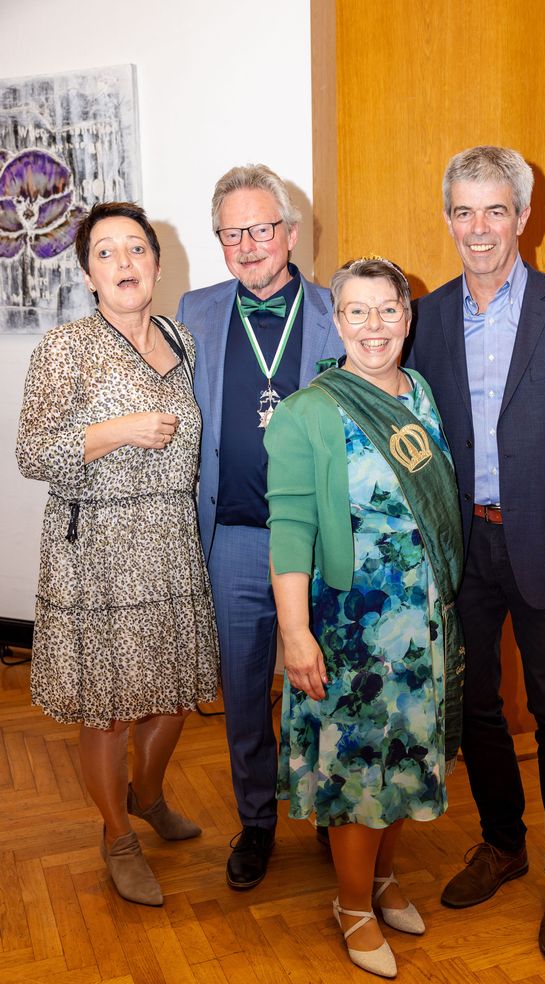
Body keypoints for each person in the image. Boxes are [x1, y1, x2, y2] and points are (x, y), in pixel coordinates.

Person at [407, 145, 545, 958]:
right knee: (473, 707)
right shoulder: (424, 318)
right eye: (463, 211)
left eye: (494, 210)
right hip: (461, 547)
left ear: (523, 217)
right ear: (447, 219)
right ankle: (502, 844)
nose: (478, 228)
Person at [264, 257, 465, 978]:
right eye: (357, 311)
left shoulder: (421, 392)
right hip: (351, 627)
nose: (373, 326)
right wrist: (295, 634)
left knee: (404, 757)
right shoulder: (308, 412)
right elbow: (290, 531)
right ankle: (351, 906)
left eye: (387, 310)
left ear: (407, 318)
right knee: (357, 772)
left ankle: (380, 880)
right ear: (337, 319)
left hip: (420, 624)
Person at [16, 201, 220, 907]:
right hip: (98, 548)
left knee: (174, 693)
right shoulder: (64, 349)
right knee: (107, 707)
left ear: (157, 265)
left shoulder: (182, 340)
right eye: (105, 252)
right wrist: (115, 431)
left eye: (136, 248)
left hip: (171, 540)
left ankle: (148, 795)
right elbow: (31, 453)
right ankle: (117, 835)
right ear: (87, 274)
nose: (124, 262)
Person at [176, 164, 338, 890]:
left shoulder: (337, 311)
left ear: (290, 233)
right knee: (243, 694)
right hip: (235, 537)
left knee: (326, 684)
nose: (247, 245)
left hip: (321, 539)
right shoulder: (196, 311)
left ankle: (335, 814)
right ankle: (257, 822)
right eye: (231, 233)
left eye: (261, 228)